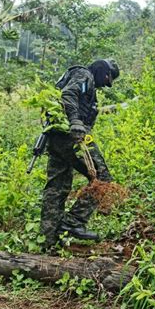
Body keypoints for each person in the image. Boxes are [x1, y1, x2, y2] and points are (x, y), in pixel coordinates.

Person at [41, 59, 120, 250]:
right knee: (103, 178)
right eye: (107, 78)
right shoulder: (84, 75)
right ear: (103, 71)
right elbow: (68, 94)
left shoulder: (83, 80)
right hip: (72, 136)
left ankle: (49, 240)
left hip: (57, 138)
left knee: (57, 187)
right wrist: (75, 122)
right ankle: (73, 222)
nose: (104, 84)